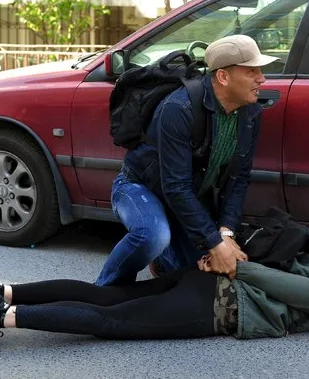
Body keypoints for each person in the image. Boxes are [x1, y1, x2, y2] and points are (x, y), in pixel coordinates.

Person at [0, 233, 309, 343]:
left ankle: (6, 289)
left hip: (201, 280)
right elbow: (272, 280)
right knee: (112, 321)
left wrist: (226, 267)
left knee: (108, 296)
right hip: (216, 304)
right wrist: (236, 273)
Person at [95, 35, 279, 286]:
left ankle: (162, 261)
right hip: (140, 188)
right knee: (153, 236)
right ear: (223, 77)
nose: (262, 78)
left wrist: (225, 232)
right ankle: (104, 289)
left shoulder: (249, 113)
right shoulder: (178, 109)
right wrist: (213, 241)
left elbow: (239, 178)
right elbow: (175, 186)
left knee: (207, 273)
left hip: (186, 197)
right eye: (252, 71)